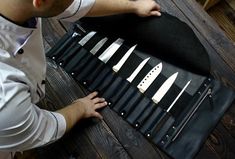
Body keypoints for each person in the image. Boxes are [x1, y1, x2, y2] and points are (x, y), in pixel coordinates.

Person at [0, 0, 161, 158]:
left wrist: (134, 6)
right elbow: (43, 128)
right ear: (40, 2)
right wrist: (81, 108)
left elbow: (70, 5)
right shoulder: (6, 102)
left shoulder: (15, 6)